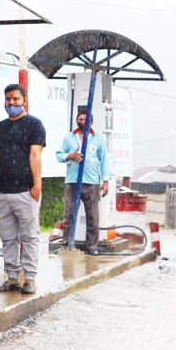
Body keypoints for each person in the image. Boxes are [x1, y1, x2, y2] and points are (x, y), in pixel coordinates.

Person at [0, 83, 46, 294]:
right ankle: (12, 278)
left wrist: (36, 186)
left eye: (15, 100)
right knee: (8, 238)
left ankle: (29, 279)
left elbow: (35, 156)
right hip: (1, 192)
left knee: (29, 237)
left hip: (25, 191)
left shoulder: (34, 125)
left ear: (24, 101)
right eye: (8, 99)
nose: (11, 103)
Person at [55, 109, 110, 255]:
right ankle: (66, 244)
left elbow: (104, 161)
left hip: (91, 182)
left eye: (85, 119)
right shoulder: (69, 137)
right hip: (72, 181)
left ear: (91, 122)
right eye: (80, 119)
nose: (82, 122)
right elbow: (59, 155)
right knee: (68, 214)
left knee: (92, 216)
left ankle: (92, 247)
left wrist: (106, 181)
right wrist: (70, 155)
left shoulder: (98, 139)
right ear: (76, 121)